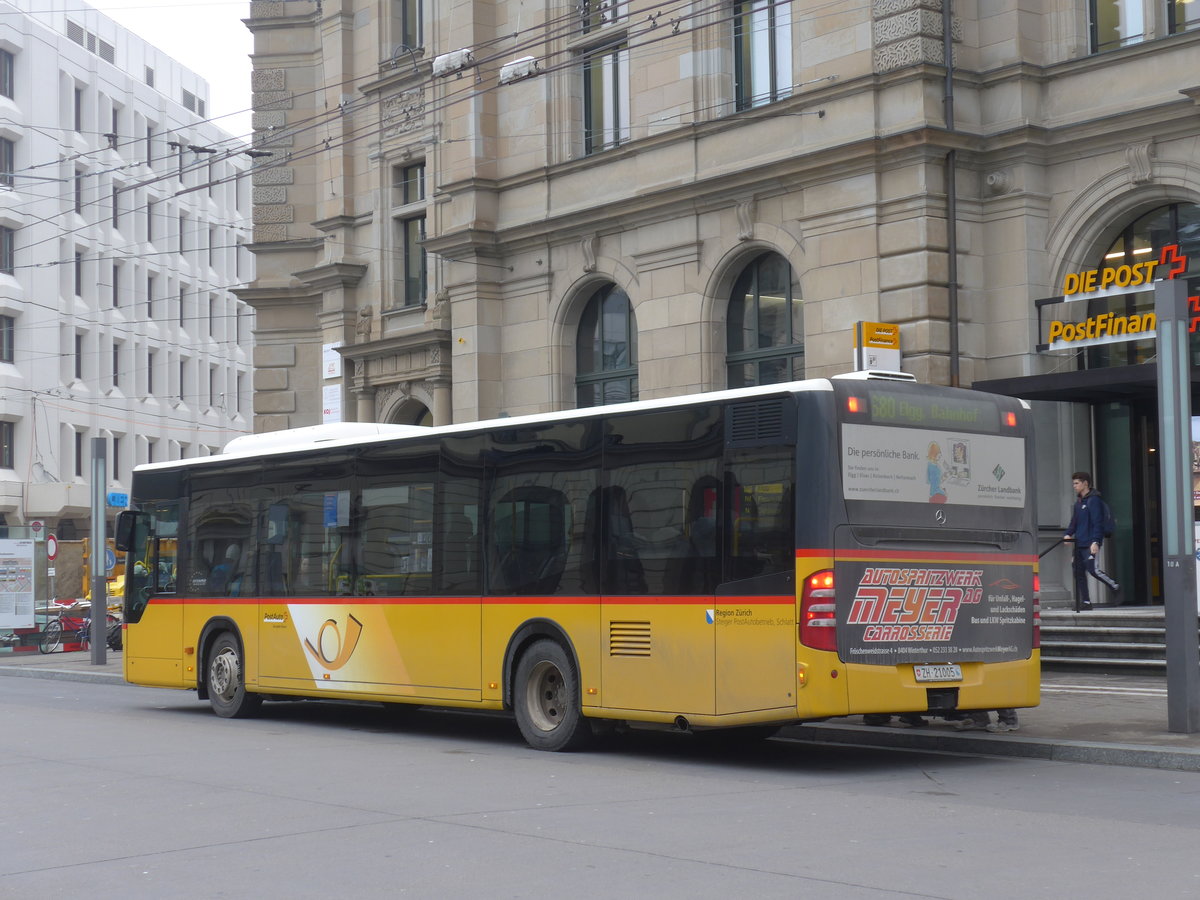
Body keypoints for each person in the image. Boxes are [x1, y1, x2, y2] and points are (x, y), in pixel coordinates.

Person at [1063, 471, 1119, 610]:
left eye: (1077, 483)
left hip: (1089, 543)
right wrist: (1068, 534)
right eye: (1073, 484)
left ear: (1085, 483)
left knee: (1093, 570)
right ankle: (1086, 602)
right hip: (1079, 543)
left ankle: (1114, 586)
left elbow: (1097, 523)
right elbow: (1074, 522)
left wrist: (1096, 542)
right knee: (1078, 572)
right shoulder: (1078, 503)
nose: (1074, 486)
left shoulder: (1094, 501)